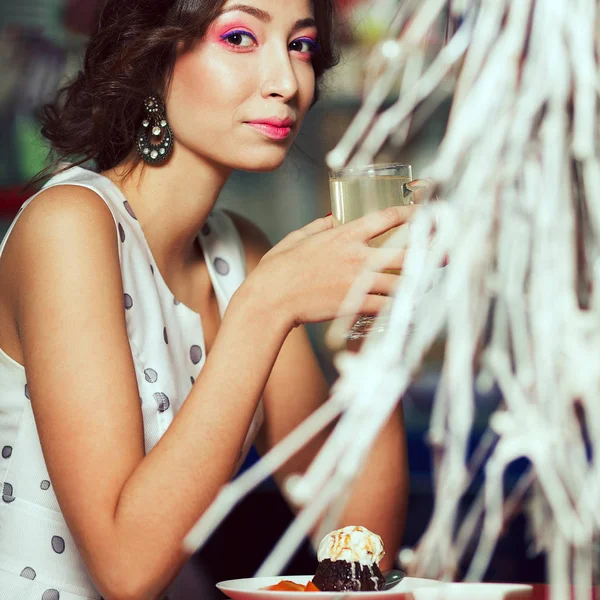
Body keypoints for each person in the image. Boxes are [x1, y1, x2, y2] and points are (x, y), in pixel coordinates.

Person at [0, 0, 413, 598]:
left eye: (301, 46)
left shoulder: (237, 254)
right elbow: (124, 569)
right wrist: (269, 305)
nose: (287, 83)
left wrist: (381, 321)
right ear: (155, 55)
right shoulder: (68, 225)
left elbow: (354, 537)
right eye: (241, 37)